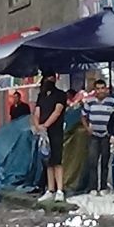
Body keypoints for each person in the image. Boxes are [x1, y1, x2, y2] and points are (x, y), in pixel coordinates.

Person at [78, 79, 114, 195]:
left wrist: (113, 132)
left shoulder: (112, 102)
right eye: (98, 89)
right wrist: (87, 128)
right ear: (95, 90)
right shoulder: (89, 102)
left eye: (102, 88)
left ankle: (103, 186)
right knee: (92, 161)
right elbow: (83, 116)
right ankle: (93, 187)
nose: (100, 91)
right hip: (94, 136)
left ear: (106, 89)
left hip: (106, 135)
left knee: (105, 161)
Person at [35, 69, 68, 201]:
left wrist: (45, 125)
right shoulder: (41, 95)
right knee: (47, 161)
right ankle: (50, 189)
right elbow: (36, 112)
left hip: (55, 132)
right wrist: (38, 126)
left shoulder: (60, 95)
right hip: (43, 133)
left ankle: (60, 190)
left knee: (57, 160)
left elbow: (57, 111)